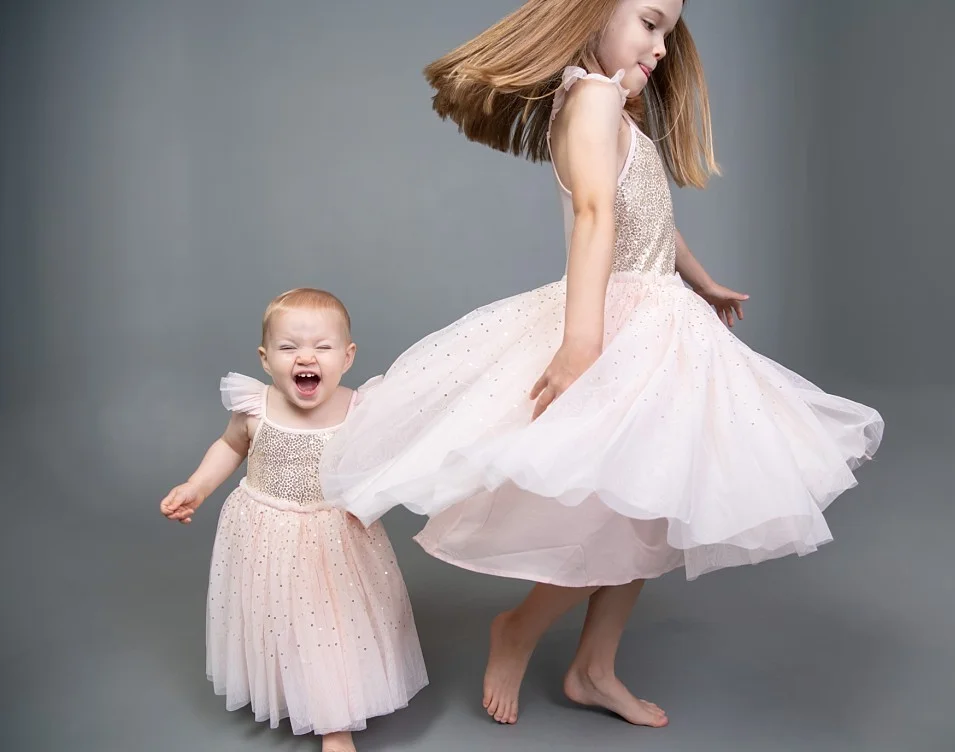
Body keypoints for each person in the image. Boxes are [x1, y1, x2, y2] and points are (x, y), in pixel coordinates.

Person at [320, 0, 883, 728]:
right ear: (591, 12)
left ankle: (593, 669)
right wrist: (582, 339)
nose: (659, 46)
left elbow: (646, 211)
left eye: (670, 33)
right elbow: (594, 214)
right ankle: (519, 628)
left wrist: (700, 278)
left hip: (663, 322)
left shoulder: (617, 108)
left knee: (653, 505)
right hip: (618, 326)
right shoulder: (588, 99)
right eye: (649, 22)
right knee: (628, 507)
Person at [160, 288, 428, 751]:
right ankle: (289, 686)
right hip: (264, 532)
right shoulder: (254, 406)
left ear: (347, 357)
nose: (306, 356)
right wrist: (196, 487)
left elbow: (386, 459)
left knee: (330, 620)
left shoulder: (358, 408)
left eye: (322, 347)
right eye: (289, 348)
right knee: (278, 616)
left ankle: (333, 723)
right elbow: (230, 448)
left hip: (334, 537)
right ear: (266, 359)